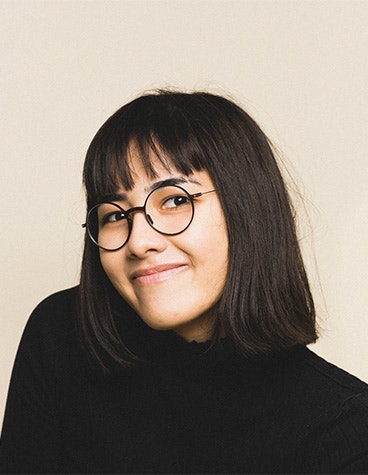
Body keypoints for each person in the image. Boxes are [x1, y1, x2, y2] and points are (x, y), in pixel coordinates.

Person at [1, 90, 368, 474]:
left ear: (248, 209)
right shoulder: (61, 336)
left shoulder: (344, 431)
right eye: (114, 214)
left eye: (175, 201)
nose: (140, 241)